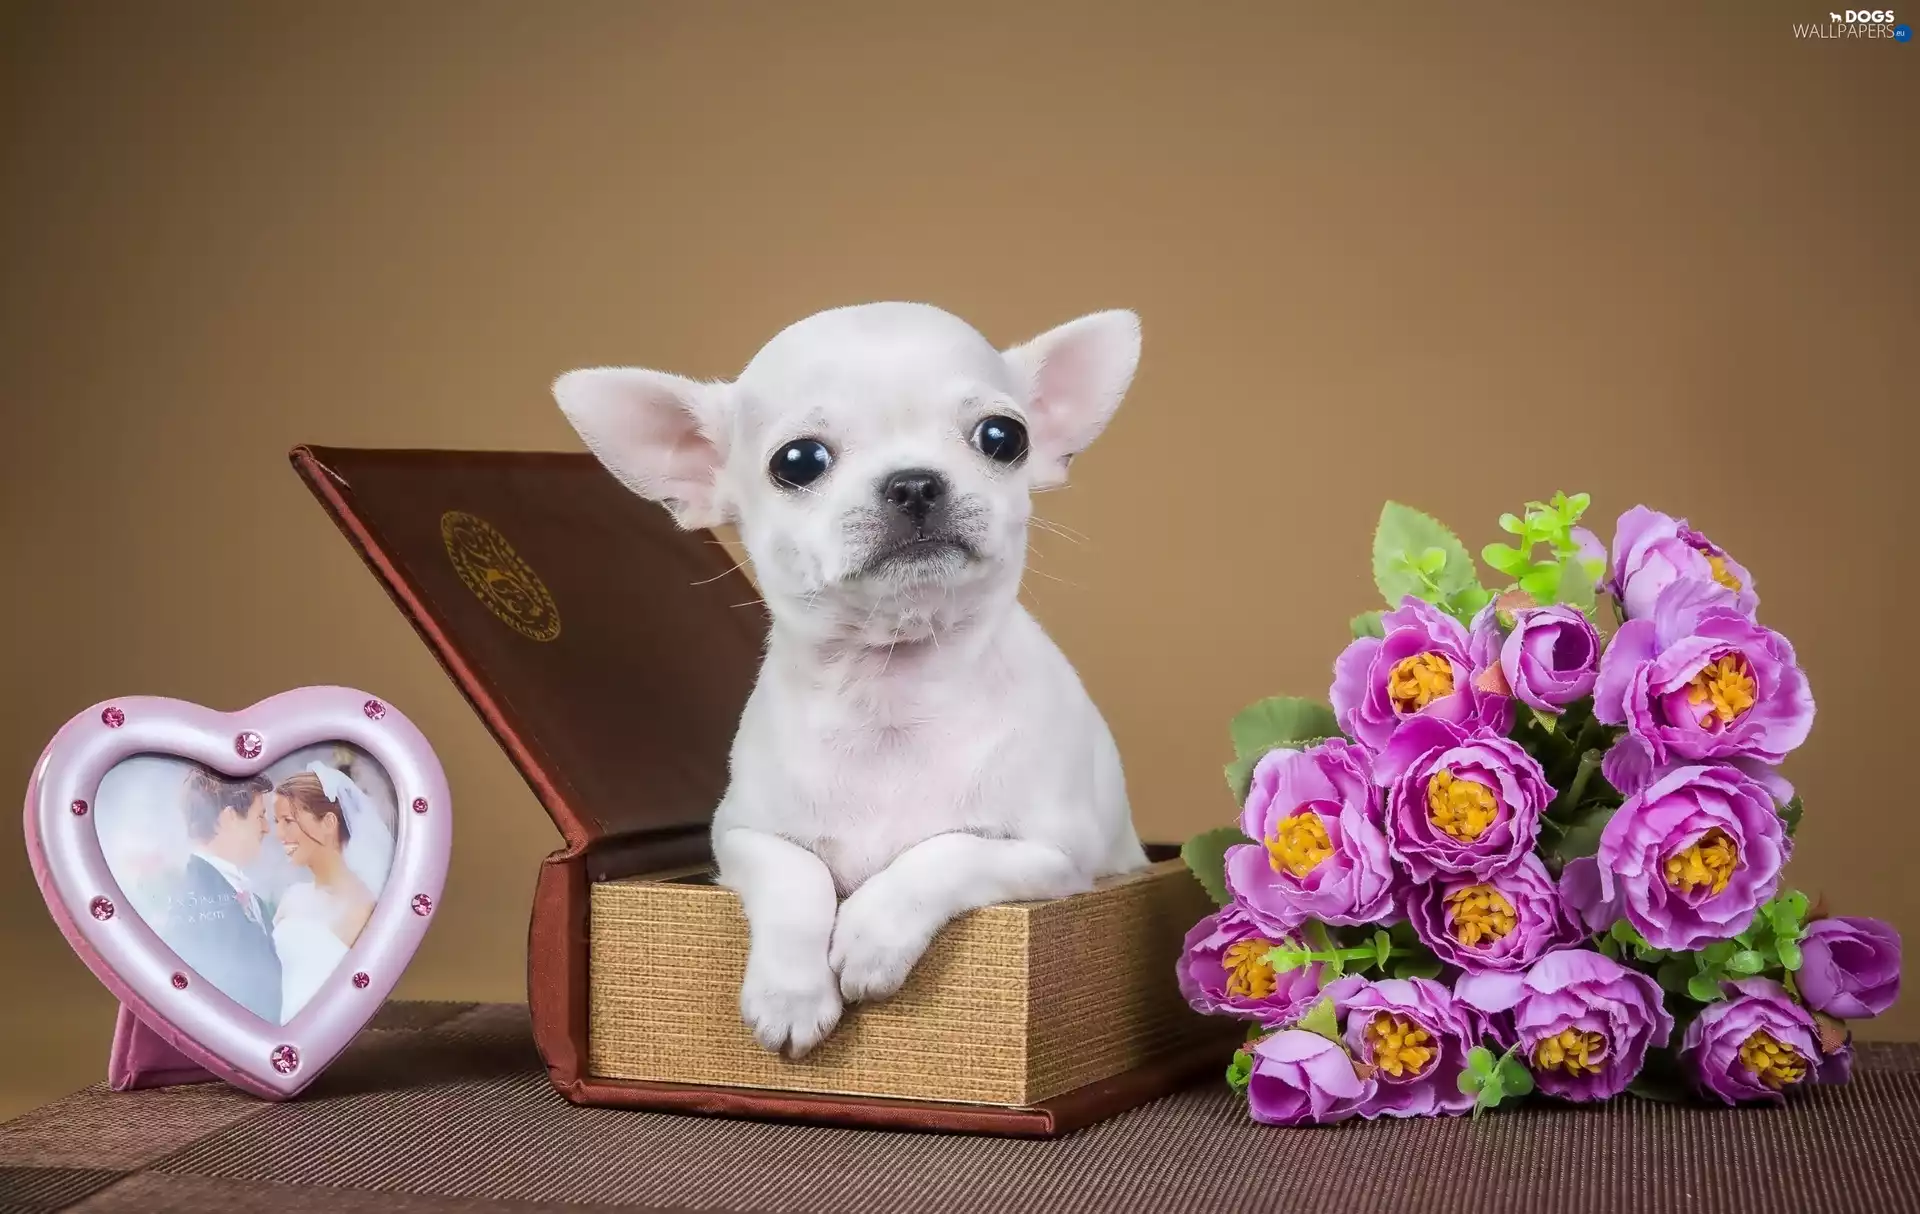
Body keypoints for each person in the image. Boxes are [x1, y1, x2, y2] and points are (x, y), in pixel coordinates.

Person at [270, 763, 393, 1020]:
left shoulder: (364, 909)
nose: (279, 834)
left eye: (288, 821)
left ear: (328, 822)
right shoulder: (292, 896)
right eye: (276, 822)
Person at [170, 771, 280, 1023]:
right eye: (260, 816)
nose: (266, 829)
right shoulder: (195, 897)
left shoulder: (250, 899)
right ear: (230, 818)